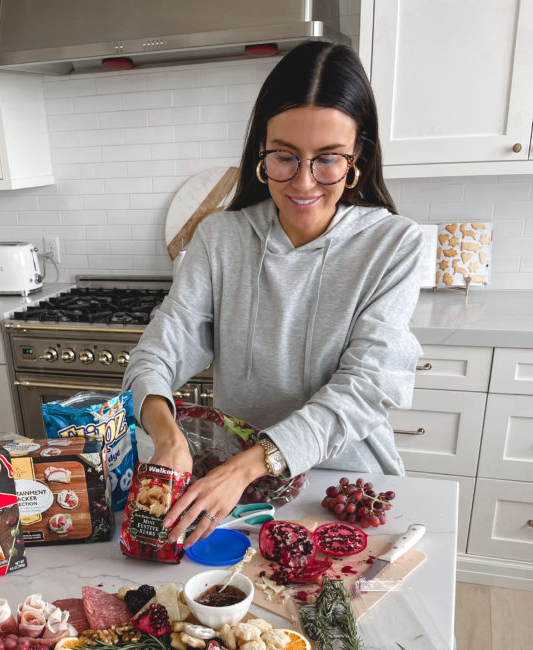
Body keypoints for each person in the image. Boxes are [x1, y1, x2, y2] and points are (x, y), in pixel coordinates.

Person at [122, 40, 424, 548]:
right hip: (240, 496)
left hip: (342, 488)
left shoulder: (394, 243)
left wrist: (248, 464)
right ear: (260, 148)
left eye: (327, 159)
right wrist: (167, 436)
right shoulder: (220, 238)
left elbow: (365, 387)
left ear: (358, 156)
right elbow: (155, 355)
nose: (303, 183)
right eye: (284, 156)